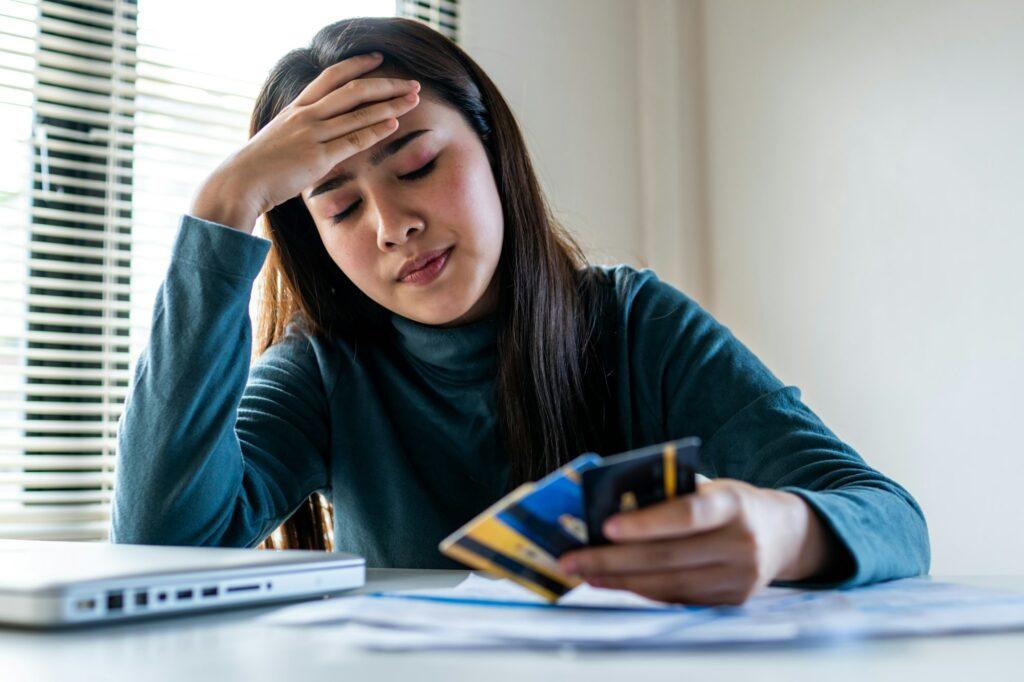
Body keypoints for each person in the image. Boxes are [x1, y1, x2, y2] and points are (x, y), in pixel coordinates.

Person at [110, 16, 930, 605]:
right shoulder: (325, 370)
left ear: (495, 153)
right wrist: (224, 203)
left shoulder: (636, 323)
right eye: (341, 208)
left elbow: (891, 518)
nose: (393, 225)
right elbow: (158, 547)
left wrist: (784, 530)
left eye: (419, 164)